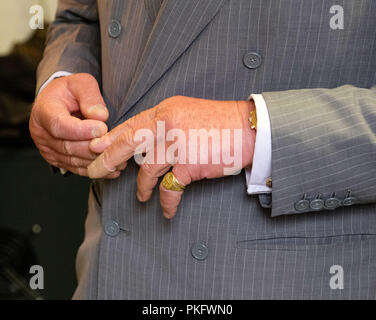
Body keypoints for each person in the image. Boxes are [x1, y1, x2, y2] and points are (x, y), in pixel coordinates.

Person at [29, 0, 376, 299]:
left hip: (277, 273)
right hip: (106, 268)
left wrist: (253, 129)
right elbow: (80, 17)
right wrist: (60, 77)